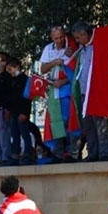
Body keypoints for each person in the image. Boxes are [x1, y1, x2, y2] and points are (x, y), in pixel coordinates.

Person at [71, 21, 108, 161]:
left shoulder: (97, 47)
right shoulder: (82, 50)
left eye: (78, 37)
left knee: (100, 123)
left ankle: (105, 153)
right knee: (88, 125)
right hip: (84, 93)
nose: (77, 41)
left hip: (96, 92)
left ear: (84, 34)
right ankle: (93, 153)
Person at [38, 26, 78, 159]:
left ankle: (72, 152)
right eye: (56, 38)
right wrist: (54, 61)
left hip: (67, 88)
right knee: (56, 122)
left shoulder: (70, 46)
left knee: (70, 120)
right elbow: (43, 69)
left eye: (61, 37)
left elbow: (76, 69)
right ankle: (59, 153)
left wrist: (64, 81)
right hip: (53, 90)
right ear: (52, 38)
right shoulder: (48, 49)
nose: (59, 40)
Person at [6, 58, 35, 165]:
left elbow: (27, 98)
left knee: (24, 133)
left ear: (17, 67)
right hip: (14, 112)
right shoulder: (12, 81)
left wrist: (25, 113)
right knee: (15, 134)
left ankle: (28, 153)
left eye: (11, 69)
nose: (10, 72)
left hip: (22, 112)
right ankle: (15, 154)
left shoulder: (25, 79)